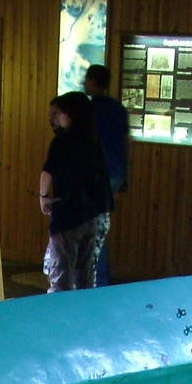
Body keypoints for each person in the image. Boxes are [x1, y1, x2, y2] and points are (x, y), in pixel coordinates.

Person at [37, 90, 112, 293]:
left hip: (68, 214)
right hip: (94, 214)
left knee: (61, 275)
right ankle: (84, 310)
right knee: (85, 276)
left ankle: (60, 311)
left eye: (59, 113)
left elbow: (48, 172)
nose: (55, 119)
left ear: (70, 114)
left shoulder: (62, 142)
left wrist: (43, 197)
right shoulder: (94, 140)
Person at [83, 63, 129, 285]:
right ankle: (99, 278)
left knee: (92, 228)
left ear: (93, 82)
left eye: (86, 79)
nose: (84, 83)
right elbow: (125, 143)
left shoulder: (89, 110)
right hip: (116, 173)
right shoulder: (118, 109)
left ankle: (98, 279)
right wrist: (125, 176)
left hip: (96, 175)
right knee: (100, 225)